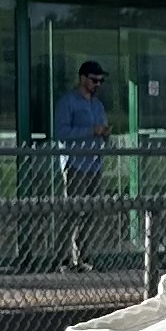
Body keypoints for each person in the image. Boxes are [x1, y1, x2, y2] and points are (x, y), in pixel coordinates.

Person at [55, 59, 110, 269]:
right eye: (94, 80)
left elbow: (101, 127)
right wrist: (90, 131)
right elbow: (60, 132)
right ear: (82, 78)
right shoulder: (68, 102)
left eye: (100, 81)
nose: (98, 84)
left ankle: (83, 257)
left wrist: (104, 134)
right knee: (72, 211)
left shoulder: (97, 105)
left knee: (91, 212)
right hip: (76, 164)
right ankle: (62, 258)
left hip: (95, 164)